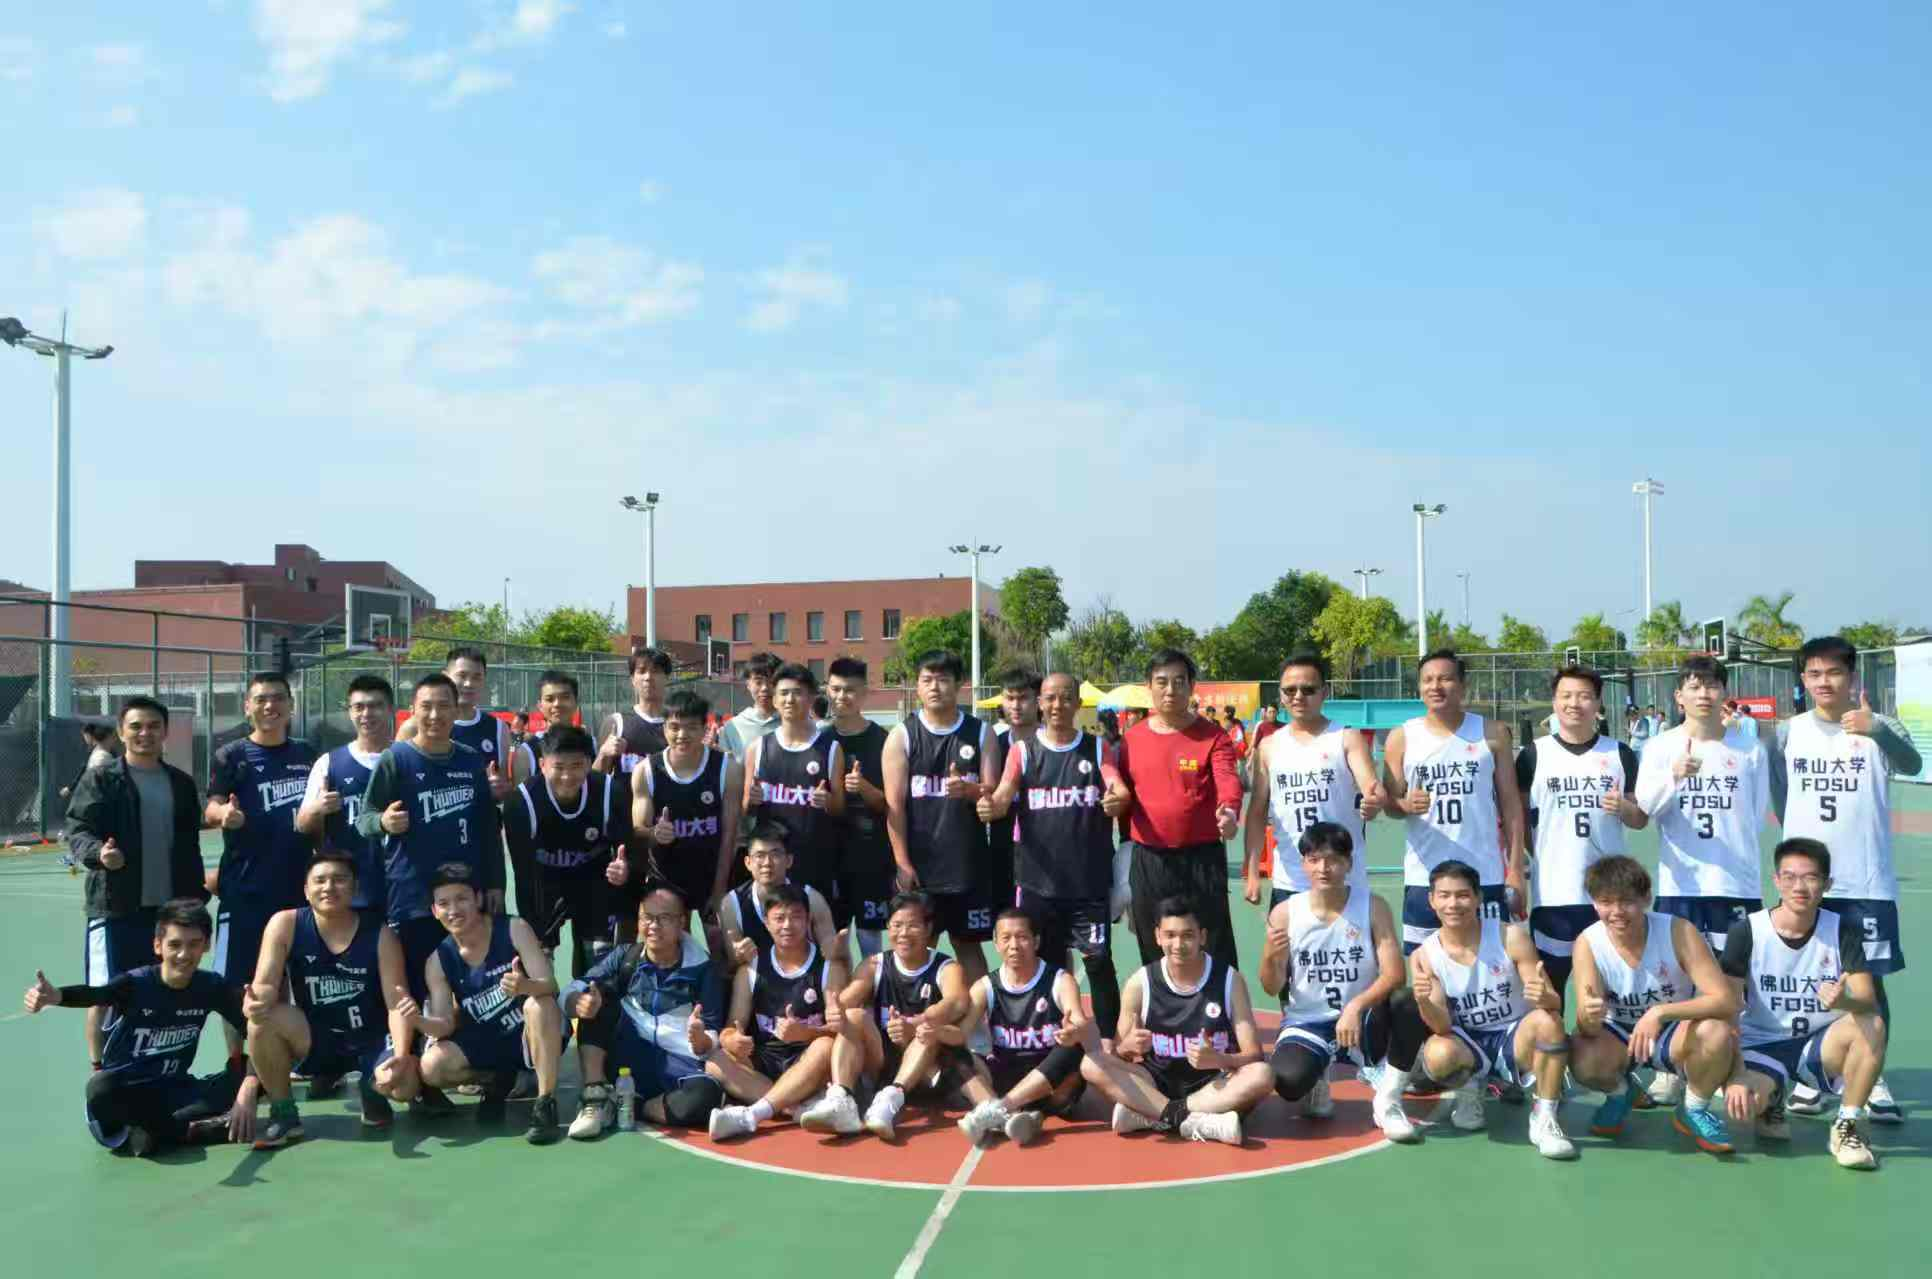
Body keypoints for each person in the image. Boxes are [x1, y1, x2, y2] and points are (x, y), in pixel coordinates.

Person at [1768, 635, 1919, 1123]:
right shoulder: (1788, 733)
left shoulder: (1878, 726)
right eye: (1814, 673)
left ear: (1852, 678)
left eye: (1834, 672)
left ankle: (1872, 1076)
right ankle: (1814, 1074)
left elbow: (1914, 763)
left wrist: (1877, 730)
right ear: (1803, 680)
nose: (1824, 681)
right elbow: (1781, 796)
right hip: (1807, 885)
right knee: (1812, 979)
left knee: (1869, 984)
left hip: (1866, 882)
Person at [23, 897, 260, 1156]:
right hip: (128, 1094)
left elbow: (255, 1032)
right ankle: (190, 1130)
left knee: (259, 1072)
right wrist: (57, 996)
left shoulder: (211, 986)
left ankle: (161, 1132)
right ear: (158, 945)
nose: (184, 954)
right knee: (99, 1088)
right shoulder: (136, 984)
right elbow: (97, 995)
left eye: (194, 944)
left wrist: (248, 1085)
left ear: (206, 945)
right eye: (175, 945)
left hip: (175, 1089)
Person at [978, 671, 1130, 1048]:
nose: (1057, 705)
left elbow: (1118, 786)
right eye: (1050, 698)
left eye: (1065, 698)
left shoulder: (1096, 748)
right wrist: (991, 805)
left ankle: (1107, 1042)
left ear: (1078, 703)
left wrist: (1117, 797)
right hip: (1037, 885)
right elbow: (1003, 794)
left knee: (1098, 961)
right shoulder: (1023, 751)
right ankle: (1050, 1038)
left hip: (1087, 884)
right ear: (1040, 704)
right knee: (1045, 965)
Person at [1719, 838, 1889, 1170]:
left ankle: (1846, 1125)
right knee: (1742, 1106)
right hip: (1761, 1045)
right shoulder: (1747, 930)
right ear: (1776, 881)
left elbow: (1867, 1000)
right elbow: (1727, 1007)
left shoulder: (1842, 929)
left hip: (1818, 1045)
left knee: (1872, 1024)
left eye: (1810, 877)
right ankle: (1771, 1099)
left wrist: (1845, 1000)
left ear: (1827, 884)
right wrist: (1736, 1072)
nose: (1799, 887)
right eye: (1790, 877)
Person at [65, 696, 209, 1069]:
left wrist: (194, 901)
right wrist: (99, 854)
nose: (145, 733)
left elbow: (190, 848)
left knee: (159, 993)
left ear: (165, 732)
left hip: (167, 915)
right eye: (136, 726)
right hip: (117, 908)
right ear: (121, 731)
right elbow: (78, 830)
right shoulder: (102, 779)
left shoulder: (180, 783)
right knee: (106, 992)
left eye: (153, 726)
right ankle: (101, 1072)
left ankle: (154, 1067)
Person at [1257, 823, 1419, 1141]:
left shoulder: (1372, 906)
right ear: (1303, 864)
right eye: (1314, 860)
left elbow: (1395, 974)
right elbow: (1271, 986)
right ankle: (1317, 1077)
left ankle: (1388, 1099)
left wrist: (1355, 1006)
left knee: (1408, 1002)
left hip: (1364, 1019)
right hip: (1309, 1021)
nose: (1324, 868)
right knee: (1288, 1081)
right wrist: (1270, 956)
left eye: (1333, 860)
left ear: (1349, 863)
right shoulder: (1285, 913)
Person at [1568, 855, 1740, 1152]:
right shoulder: (1588, 942)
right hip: (1619, 1033)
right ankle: (1621, 1093)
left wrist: (1659, 1012)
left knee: (1716, 1033)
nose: (1616, 912)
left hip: (1673, 1030)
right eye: (1606, 902)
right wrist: (1589, 1016)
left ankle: (1693, 1108)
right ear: (1594, 903)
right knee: (1581, 1053)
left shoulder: (1678, 931)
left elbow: (1725, 1001)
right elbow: (1587, 1025)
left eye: (1627, 901)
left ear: (1646, 898)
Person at [1406, 860, 1577, 1159]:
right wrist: (1423, 1002)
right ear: (1431, 900)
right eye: (1444, 895)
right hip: (1468, 1042)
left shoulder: (1510, 937)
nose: (1453, 904)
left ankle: (1544, 1118)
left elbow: (1553, 1002)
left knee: (1549, 1022)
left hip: (1513, 1036)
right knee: (1438, 1054)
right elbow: (1442, 1026)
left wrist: (1543, 996)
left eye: (1462, 895)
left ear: (1478, 898)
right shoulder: (1424, 955)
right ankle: (1469, 1089)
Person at [242, 850, 412, 1143]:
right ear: (306, 890)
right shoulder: (285, 924)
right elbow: (266, 983)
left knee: (405, 1085)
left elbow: (397, 1003)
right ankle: (284, 1113)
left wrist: (401, 1055)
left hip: (370, 1039)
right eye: (320, 881)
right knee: (261, 1023)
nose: (329, 887)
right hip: (318, 1038)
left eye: (339, 879)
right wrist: (257, 1002)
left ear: (355, 888)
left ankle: (372, 1089)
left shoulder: (380, 934)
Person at [354, 674, 505, 1003]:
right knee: (420, 985)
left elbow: (488, 828)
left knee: (475, 983)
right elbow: (364, 819)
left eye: (443, 706)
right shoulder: (396, 758)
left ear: (456, 710)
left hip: (467, 893)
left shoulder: (469, 759)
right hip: (414, 897)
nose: (435, 715)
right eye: (426, 706)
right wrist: (383, 821)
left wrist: (496, 883)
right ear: (412, 710)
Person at [1078, 895, 1272, 1145]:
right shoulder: (1140, 983)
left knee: (1263, 1075)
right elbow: (1117, 1054)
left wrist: (1220, 1059)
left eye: (1187, 935)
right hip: (1154, 1084)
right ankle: (1194, 1121)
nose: (1178, 944)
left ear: (1202, 937)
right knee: (1091, 1063)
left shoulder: (1229, 980)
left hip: (1214, 1086)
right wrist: (1127, 1047)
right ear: (1158, 936)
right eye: (1170, 935)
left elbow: (1254, 1055)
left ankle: (1155, 1117)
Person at [392, 865, 567, 1143]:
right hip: (486, 1040)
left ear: (478, 899)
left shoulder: (514, 929)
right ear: (434, 911)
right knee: (431, 1067)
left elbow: (550, 985)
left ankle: (545, 1103)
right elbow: (445, 1024)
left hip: (530, 1033)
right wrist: (417, 1020)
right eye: (443, 903)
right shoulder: (437, 961)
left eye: (461, 899)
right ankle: (495, 1081)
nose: (453, 910)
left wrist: (525, 986)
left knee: (539, 1005)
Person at [1380, 650, 1528, 954]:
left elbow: (1511, 805)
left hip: (1484, 874)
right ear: (1419, 686)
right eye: (1428, 680)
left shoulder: (1492, 733)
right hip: (1424, 877)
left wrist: (1514, 870)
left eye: (1445, 679)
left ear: (1462, 685)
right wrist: (1405, 805)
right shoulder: (1401, 737)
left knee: (1491, 962)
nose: (1436, 686)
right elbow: (1390, 805)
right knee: (1425, 967)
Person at [206, 671, 320, 1054]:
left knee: (290, 979)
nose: (270, 706)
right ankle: (237, 1064)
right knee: (237, 984)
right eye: (261, 699)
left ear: (290, 706)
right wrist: (224, 814)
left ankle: (284, 1058)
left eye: (278, 698)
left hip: (299, 888)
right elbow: (211, 806)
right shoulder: (231, 756)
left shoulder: (308, 754)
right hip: (246, 890)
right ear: (247, 707)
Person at [561, 881, 729, 1140]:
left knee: (705, 1096)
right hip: (626, 1058)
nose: (653, 926)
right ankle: (595, 1096)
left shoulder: (704, 969)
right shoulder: (625, 956)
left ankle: (627, 1105)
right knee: (595, 998)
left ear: (682, 922)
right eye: (647, 917)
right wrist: (578, 1001)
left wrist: (701, 1039)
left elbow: (712, 1036)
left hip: (678, 1066)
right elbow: (573, 988)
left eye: (664, 918)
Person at [1517, 665, 1646, 999]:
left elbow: (1639, 819)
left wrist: (1624, 807)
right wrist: (1536, 856)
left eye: (1585, 696)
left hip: (1609, 895)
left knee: (1613, 993)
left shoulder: (1619, 753)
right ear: (1554, 701)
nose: (1574, 703)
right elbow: (1518, 819)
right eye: (1566, 696)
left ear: (1598, 703)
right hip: (1554, 893)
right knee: (1551, 993)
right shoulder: (1534, 755)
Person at [800, 891, 969, 1139]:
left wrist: (916, 1023)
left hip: (924, 1068)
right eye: (897, 925)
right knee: (854, 1016)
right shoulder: (874, 965)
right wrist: (835, 1006)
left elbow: (957, 1002)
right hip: (881, 1062)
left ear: (928, 928)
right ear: (888, 927)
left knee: (927, 1031)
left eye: (912, 925)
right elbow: (844, 1005)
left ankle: (891, 1099)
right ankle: (841, 1099)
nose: (903, 933)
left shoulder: (947, 967)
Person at [1115, 649, 1243, 972]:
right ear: (1149, 686)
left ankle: (1221, 1002)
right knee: (1154, 942)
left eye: (1178, 681)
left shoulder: (1213, 736)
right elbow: (1121, 796)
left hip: (1201, 859)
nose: (1170, 690)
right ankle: (1161, 1002)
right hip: (1149, 860)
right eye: (1162, 682)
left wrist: (1229, 811)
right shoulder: (1131, 740)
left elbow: (1227, 779)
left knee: (1213, 943)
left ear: (1191, 686)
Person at [882, 649, 1000, 988]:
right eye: (927, 680)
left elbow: (992, 795)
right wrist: (902, 863)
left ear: (959, 684)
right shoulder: (902, 736)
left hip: (967, 865)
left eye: (943, 679)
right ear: (917, 686)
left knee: (969, 946)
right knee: (919, 947)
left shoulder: (982, 733)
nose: (935, 687)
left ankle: (979, 1015)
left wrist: (970, 790)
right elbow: (894, 807)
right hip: (921, 868)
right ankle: (915, 1012)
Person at [705, 885, 844, 1139]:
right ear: (766, 923)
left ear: (808, 920)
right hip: (765, 1061)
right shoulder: (751, 969)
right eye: (779, 918)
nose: (787, 925)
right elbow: (731, 1026)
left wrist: (805, 1033)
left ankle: (753, 1114)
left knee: (826, 1047)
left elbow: (841, 1033)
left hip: (808, 1061)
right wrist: (733, 1040)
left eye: (796, 917)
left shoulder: (828, 967)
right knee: (716, 1062)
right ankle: (793, 1107)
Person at [1242, 654, 1380, 908]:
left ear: (1324, 692)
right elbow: (1257, 813)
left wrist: (1373, 802)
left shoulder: (1347, 738)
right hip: (1290, 881)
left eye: (1308, 689)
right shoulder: (1269, 746)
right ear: (1281, 694)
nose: (1298, 696)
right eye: (1290, 690)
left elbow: (1371, 788)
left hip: (1343, 880)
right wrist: (1251, 873)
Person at [953, 907, 1090, 1146]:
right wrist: (935, 1030)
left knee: (1074, 1048)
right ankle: (1020, 1117)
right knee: (953, 1053)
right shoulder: (985, 986)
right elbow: (961, 1033)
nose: (1014, 945)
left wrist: (1073, 1031)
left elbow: (1078, 1020)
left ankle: (997, 1110)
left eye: (1022, 937)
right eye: (1006, 938)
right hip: (1005, 1079)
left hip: (1051, 1083)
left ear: (1036, 941)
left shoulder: (1059, 980)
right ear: (996, 944)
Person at [505, 724, 630, 980]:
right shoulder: (522, 801)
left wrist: (623, 869)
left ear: (589, 764)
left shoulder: (610, 792)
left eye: (576, 766)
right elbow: (523, 874)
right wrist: (534, 928)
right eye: (559, 767)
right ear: (542, 765)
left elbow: (624, 851)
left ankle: (590, 997)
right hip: (544, 884)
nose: (567, 776)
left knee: (598, 968)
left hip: (594, 882)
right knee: (539, 969)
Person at [628, 689, 741, 948]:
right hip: (667, 878)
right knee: (671, 950)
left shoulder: (727, 768)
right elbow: (638, 829)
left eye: (691, 727)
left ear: (705, 728)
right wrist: (654, 833)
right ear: (664, 728)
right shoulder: (646, 771)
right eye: (675, 727)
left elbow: (729, 835)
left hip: (712, 875)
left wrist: (719, 889)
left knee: (721, 948)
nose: (682, 735)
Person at [742, 663, 846, 932]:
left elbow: (839, 808)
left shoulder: (830, 749)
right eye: (784, 693)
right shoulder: (759, 748)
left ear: (811, 698)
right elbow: (745, 808)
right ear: (775, 699)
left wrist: (827, 801)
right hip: (772, 867)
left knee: (818, 936)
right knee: (776, 935)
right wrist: (751, 799)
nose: (790, 699)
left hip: (816, 862)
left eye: (797, 693)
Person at [296, 674, 396, 915]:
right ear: (349, 711)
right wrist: (317, 808)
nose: (367, 714)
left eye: (375, 706)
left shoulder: (406, 758)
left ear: (390, 709)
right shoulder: (329, 763)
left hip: (400, 885)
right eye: (359, 707)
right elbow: (302, 824)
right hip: (349, 890)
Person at [826, 657, 893, 957]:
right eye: (836, 689)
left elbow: (891, 804)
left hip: (871, 854)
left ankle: (872, 987)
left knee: (869, 939)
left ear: (865, 693)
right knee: (834, 937)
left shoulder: (884, 740)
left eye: (850, 690)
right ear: (827, 690)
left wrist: (863, 788)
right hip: (829, 854)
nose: (842, 696)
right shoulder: (819, 739)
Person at [717, 820, 843, 969]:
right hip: (757, 978)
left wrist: (836, 948)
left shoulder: (812, 899)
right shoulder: (731, 903)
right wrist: (740, 954)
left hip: (804, 978)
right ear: (748, 862)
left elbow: (830, 953)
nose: (767, 863)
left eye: (775, 854)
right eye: (760, 855)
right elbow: (733, 960)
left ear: (789, 860)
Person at [400, 647, 515, 801]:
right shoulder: (414, 727)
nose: (469, 684)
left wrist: (498, 789)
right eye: (462, 675)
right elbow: (396, 785)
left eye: (477, 677)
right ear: (445, 676)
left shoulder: (498, 728)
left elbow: (502, 787)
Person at [981, 667, 1044, 936]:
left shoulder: (1053, 743)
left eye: (1023, 698)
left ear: (1038, 701)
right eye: (1009, 698)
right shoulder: (991, 744)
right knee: (1007, 931)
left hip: (1046, 855)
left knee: (1049, 938)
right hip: (1003, 853)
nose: (1016, 706)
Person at [597, 646, 674, 781]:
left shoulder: (678, 725)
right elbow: (594, 781)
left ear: (667, 678)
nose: (648, 677)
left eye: (655, 671)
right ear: (632, 679)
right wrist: (603, 755)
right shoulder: (616, 723)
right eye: (642, 671)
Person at [512, 669, 586, 781]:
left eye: (565, 697)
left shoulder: (590, 744)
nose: (557, 704)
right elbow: (521, 791)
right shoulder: (527, 752)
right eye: (550, 699)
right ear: (540, 706)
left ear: (576, 702)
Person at [718, 651, 782, 762]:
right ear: (748, 684)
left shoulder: (793, 723)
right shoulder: (732, 727)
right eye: (758, 682)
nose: (764, 688)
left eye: (771, 682)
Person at [58, 721, 117, 802]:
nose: (115, 739)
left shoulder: (102, 755)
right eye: (113, 736)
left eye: (85, 736)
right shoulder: (100, 755)